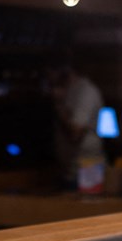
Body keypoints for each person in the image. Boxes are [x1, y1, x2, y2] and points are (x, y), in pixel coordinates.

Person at [49, 63, 104, 191]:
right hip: (69, 168)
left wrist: (59, 104)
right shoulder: (69, 90)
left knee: (90, 208)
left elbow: (76, 132)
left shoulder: (86, 92)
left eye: (49, 73)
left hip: (87, 166)